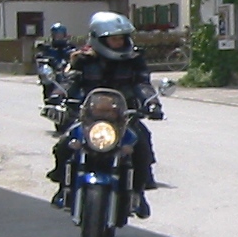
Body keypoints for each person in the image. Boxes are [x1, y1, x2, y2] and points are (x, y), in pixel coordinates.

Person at [48, 12, 161, 217]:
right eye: (114, 39)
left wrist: (152, 103)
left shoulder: (134, 60)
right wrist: (58, 94)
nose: (119, 42)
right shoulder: (83, 60)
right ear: (99, 39)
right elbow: (70, 80)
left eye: (122, 38)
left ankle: (138, 193)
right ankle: (63, 187)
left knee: (142, 144)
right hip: (89, 116)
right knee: (65, 144)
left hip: (123, 117)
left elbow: (142, 84)